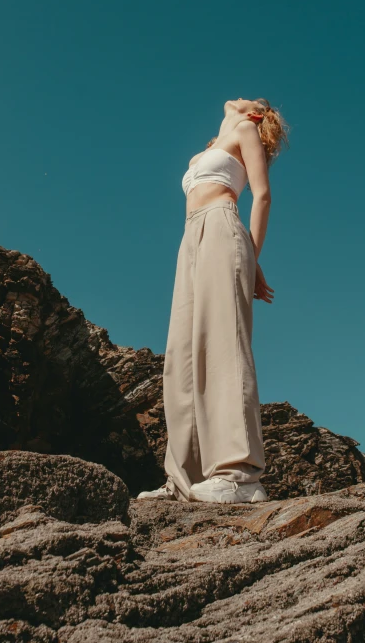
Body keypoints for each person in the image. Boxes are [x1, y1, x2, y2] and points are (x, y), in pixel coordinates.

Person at [138, 98, 289, 503]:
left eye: (254, 102)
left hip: (223, 226)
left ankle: (240, 476)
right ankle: (184, 480)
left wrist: (252, 260)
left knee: (224, 346)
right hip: (190, 237)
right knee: (182, 355)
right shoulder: (210, 146)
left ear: (256, 113)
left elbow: (262, 196)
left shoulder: (245, 130)